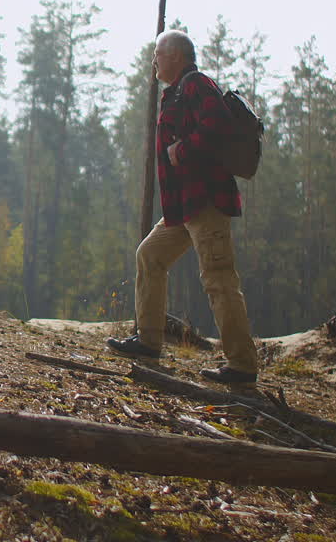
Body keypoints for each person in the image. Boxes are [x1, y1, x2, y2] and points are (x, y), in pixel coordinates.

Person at [107, 29, 259, 386]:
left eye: (157, 55)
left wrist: (182, 150)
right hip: (183, 209)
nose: (153, 62)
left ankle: (242, 366)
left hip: (206, 203)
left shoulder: (196, 84)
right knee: (149, 255)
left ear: (174, 55)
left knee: (219, 281)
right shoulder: (175, 93)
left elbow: (217, 124)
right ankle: (148, 341)